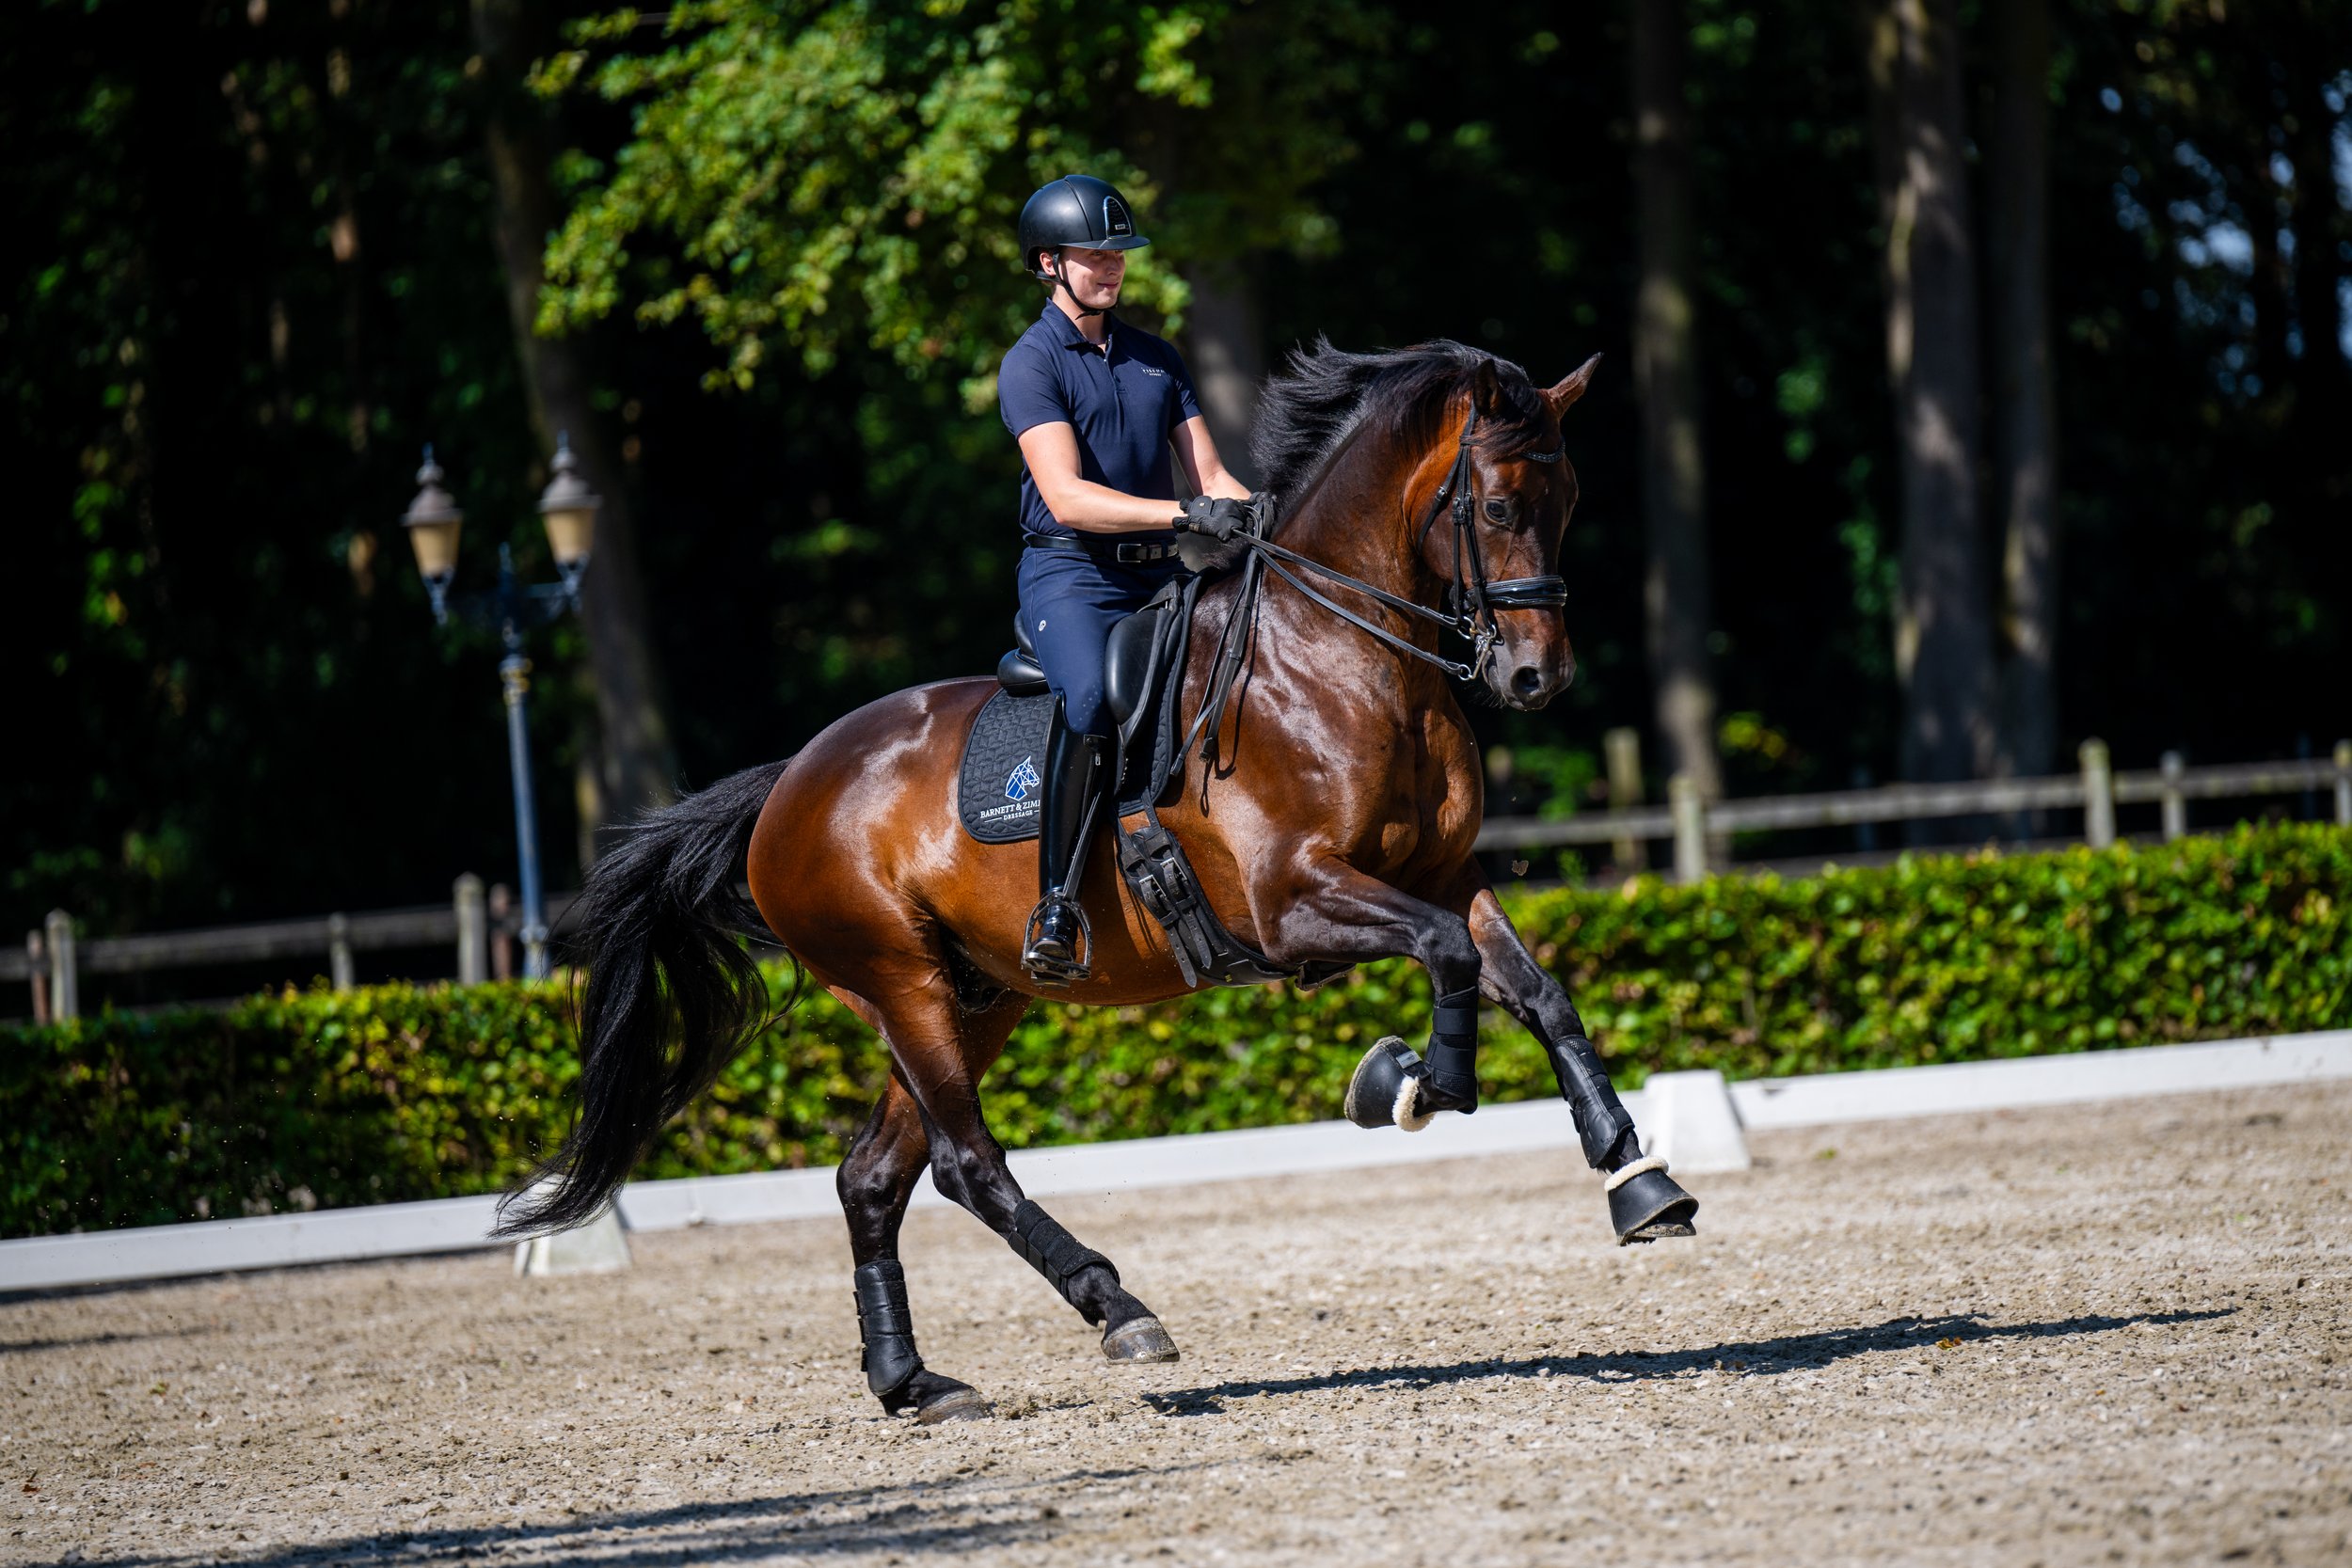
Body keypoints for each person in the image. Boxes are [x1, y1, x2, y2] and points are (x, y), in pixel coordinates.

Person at [999, 174, 1254, 985]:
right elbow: (1068, 496)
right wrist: (1181, 518)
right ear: (1049, 263)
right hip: (1071, 578)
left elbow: (1211, 475)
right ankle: (1057, 905)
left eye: (1118, 255)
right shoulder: (1031, 364)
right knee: (1091, 700)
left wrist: (1272, 519)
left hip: (1158, 578)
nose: (1111, 268)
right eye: (1093, 255)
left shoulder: (1156, 358)